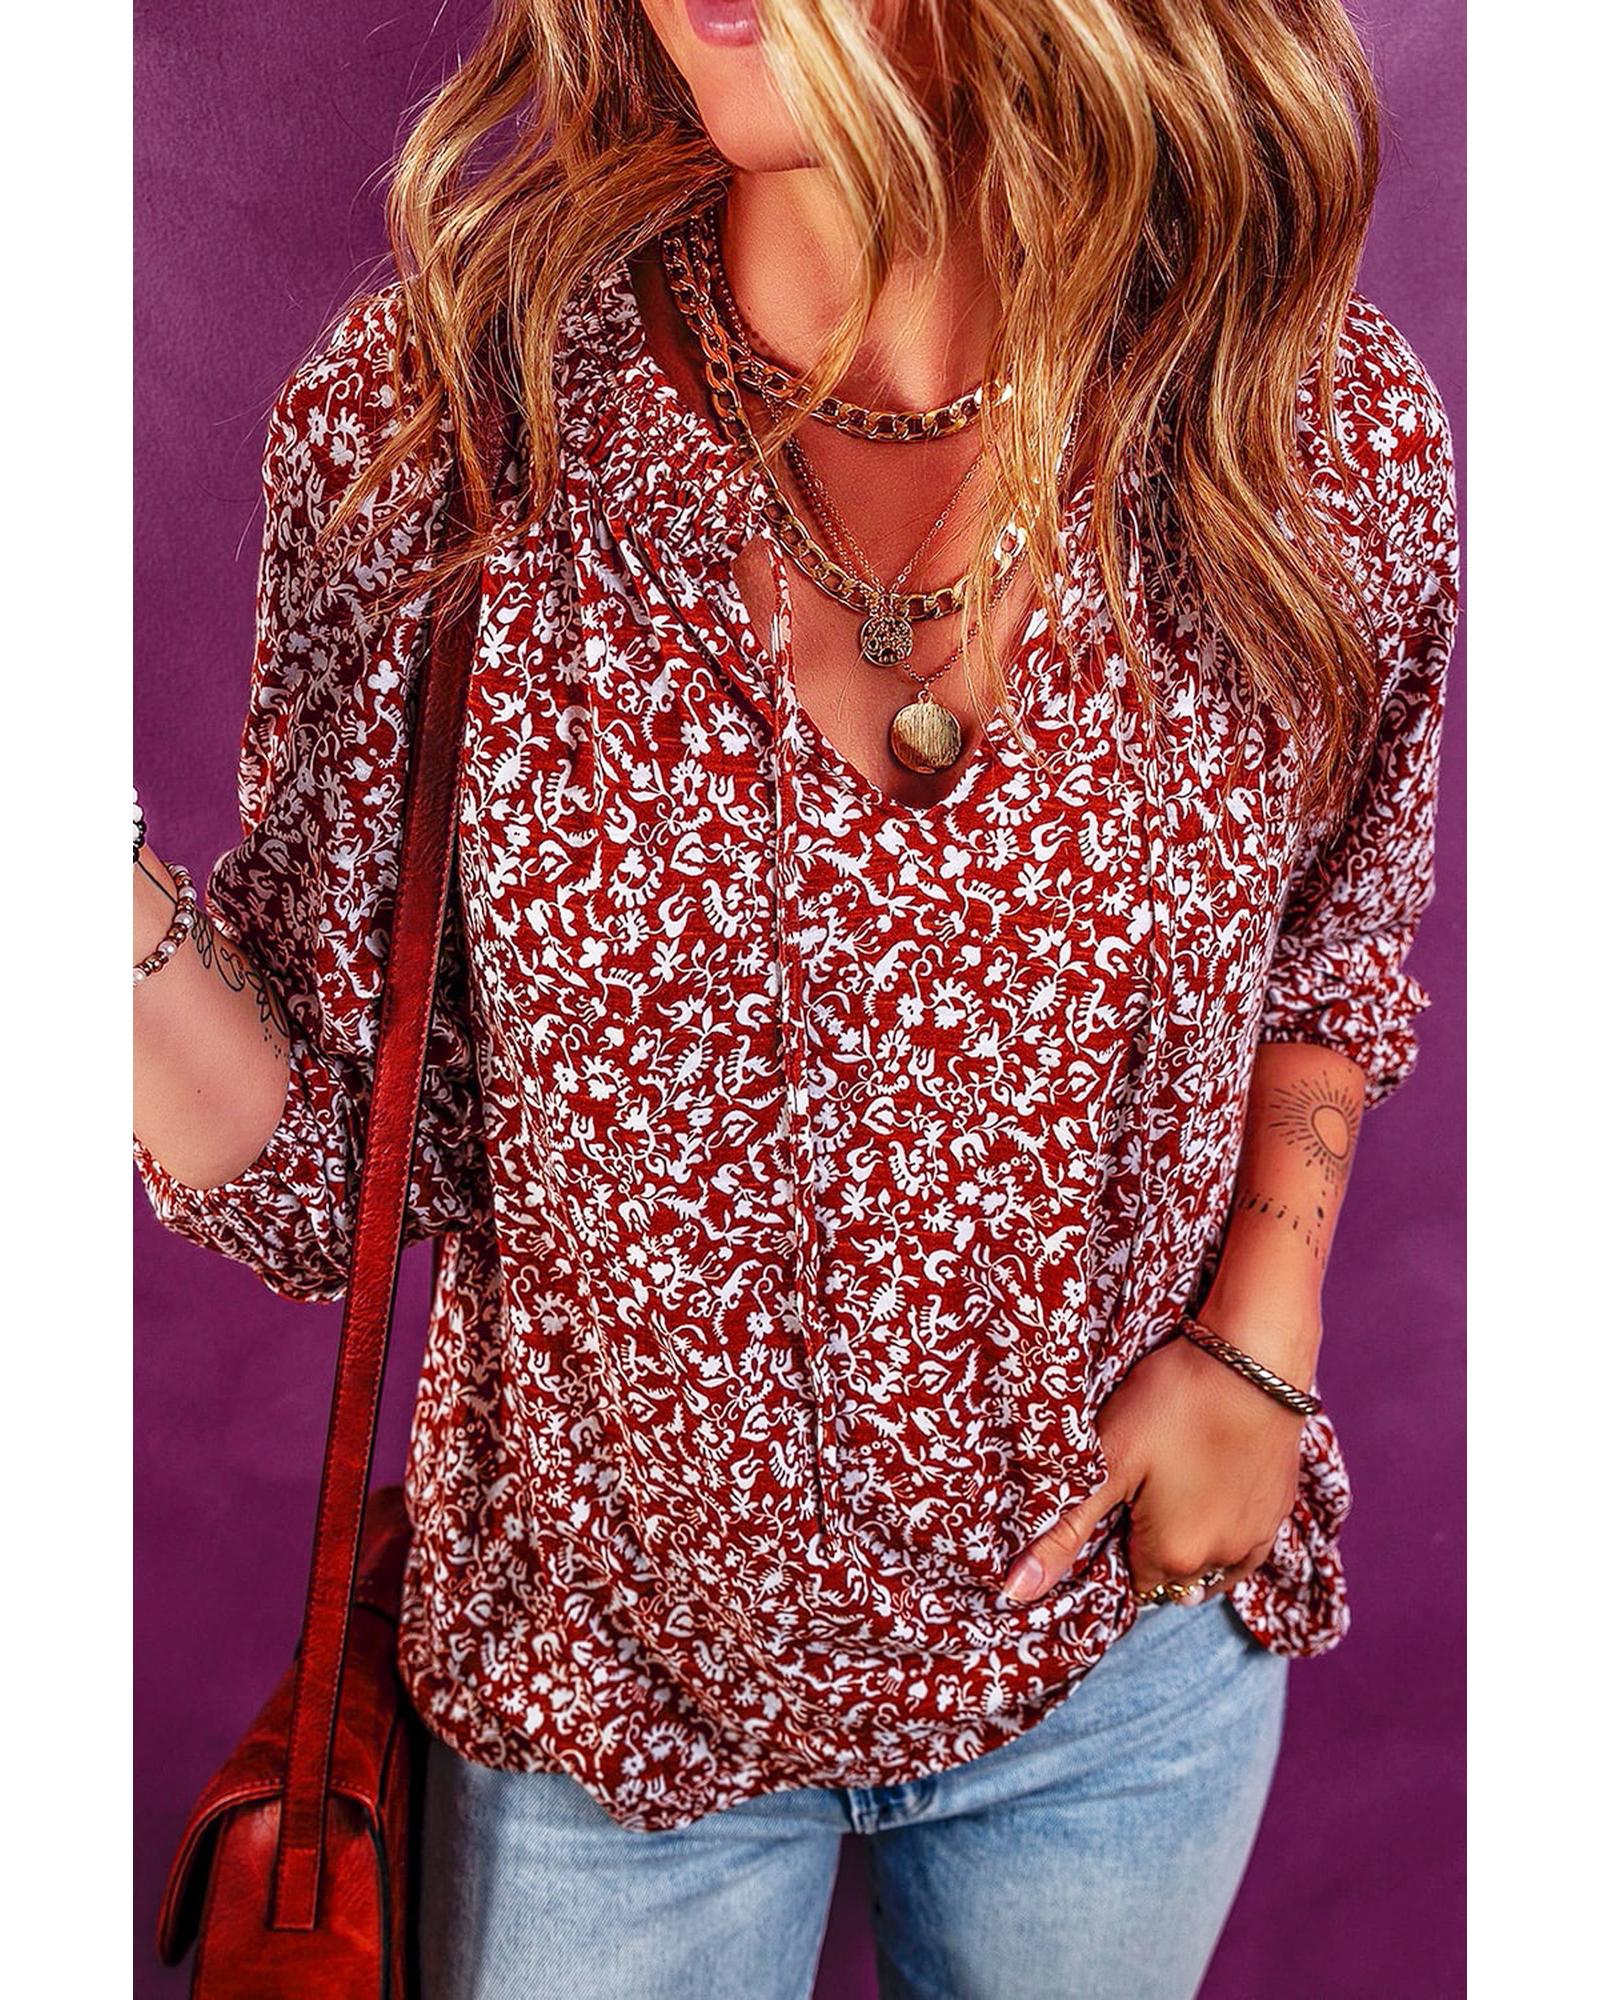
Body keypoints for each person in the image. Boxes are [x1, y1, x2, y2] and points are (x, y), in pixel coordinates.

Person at [132, 2, 1459, 1995]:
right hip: (608, 1723)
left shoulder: (1290, 422)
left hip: (1121, 1682)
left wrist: (1262, 1333)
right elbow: (326, 1169)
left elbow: (1338, 916)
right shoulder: (451, 425)